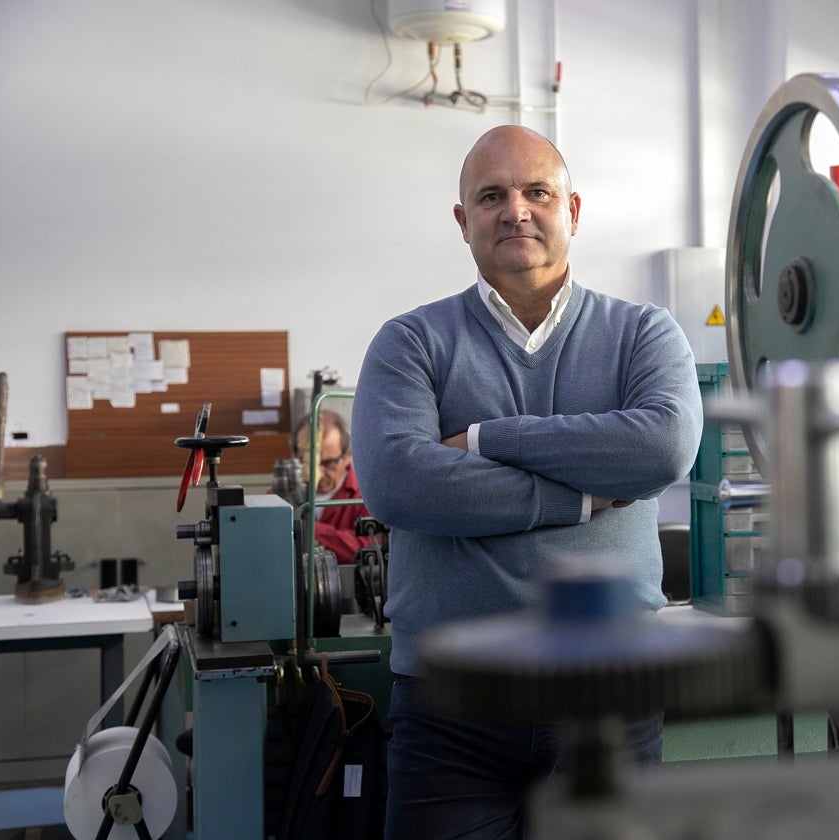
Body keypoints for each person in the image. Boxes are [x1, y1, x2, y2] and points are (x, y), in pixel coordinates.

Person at [351, 124, 703, 840]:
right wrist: (579, 494)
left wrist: (484, 439)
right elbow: (397, 483)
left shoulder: (645, 333)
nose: (516, 210)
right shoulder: (410, 342)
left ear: (571, 210)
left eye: (537, 192)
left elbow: (663, 448)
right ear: (463, 221)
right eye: (491, 196)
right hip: (451, 710)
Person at [291, 409, 372, 564]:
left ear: (347, 456)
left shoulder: (366, 497)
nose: (318, 473)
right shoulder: (282, 496)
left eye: (327, 463)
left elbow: (369, 546)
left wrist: (308, 529)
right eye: (306, 462)